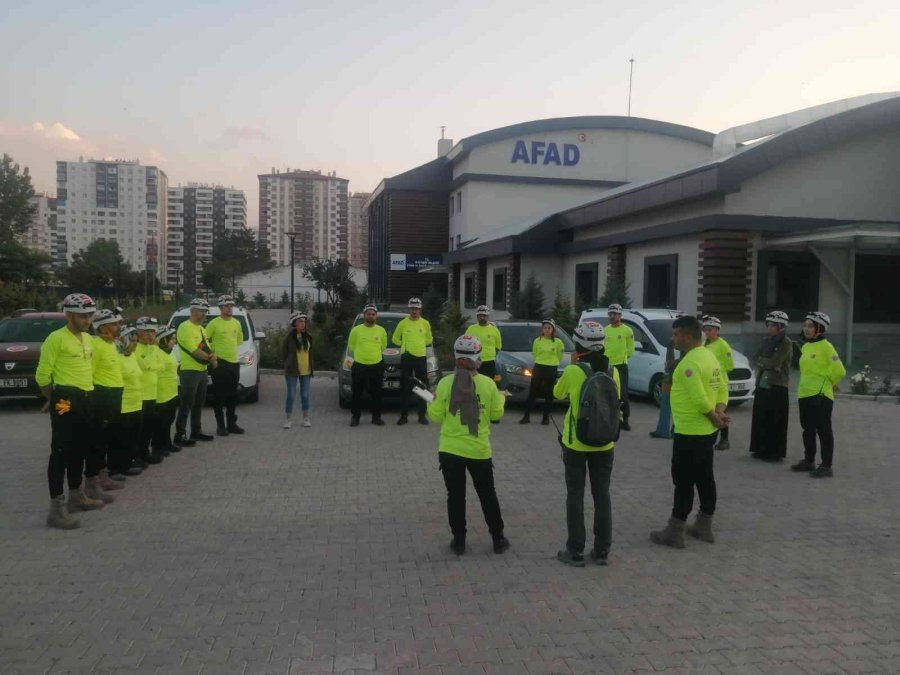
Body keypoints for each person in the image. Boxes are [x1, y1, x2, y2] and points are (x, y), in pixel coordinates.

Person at [650, 315, 728, 549]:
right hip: (706, 432)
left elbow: (699, 398)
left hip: (690, 431)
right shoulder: (709, 356)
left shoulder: (689, 364)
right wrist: (720, 412)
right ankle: (704, 525)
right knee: (705, 476)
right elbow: (722, 386)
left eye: (676, 334)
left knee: (683, 480)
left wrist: (714, 416)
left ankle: (675, 531)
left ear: (687, 336)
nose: (673, 338)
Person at [427, 334, 510, 556]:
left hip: (450, 449)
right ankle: (498, 538)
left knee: (455, 496)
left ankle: (459, 541)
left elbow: (435, 416)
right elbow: (496, 415)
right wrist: (501, 398)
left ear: (456, 357)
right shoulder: (488, 384)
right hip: (479, 450)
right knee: (487, 494)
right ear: (478, 358)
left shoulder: (445, 383)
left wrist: (431, 401)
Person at [553, 321, 620, 566]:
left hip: (577, 444)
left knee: (575, 495)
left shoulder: (574, 371)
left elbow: (557, 393)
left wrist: (572, 366)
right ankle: (602, 551)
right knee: (602, 494)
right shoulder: (613, 371)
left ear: (579, 344)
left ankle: (575, 550)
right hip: (605, 444)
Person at [37, 293, 105, 529]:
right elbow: (42, 376)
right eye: (82, 316)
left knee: (81, 448)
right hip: (65, 399)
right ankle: (56, 509)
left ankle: (77, 495)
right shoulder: (56, 339)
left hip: (87, 397)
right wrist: (54, 399)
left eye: (90, 316)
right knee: (61, 451)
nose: (87, 320)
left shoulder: (87, 339)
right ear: (68, 315)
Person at [791, 312, 846, 478]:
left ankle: (826, 466)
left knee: (823, 430)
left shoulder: (827, 347)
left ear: (820, 328)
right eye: (805, 325)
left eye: (810, 326)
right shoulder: (806, 346)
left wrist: (830, 382)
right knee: (807, 429)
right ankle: (809, 461)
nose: (806, 329)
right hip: (804, 393)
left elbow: (840, 370)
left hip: (820, 395)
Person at [86, 308, 126, 503]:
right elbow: (89, 373)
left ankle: (103, 476)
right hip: (102, 395)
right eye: (114, 324)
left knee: (107, 438)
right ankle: (92, 483)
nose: (118, 327)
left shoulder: (111, 344)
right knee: (98, 441)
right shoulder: (96, 345)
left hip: (114, 394)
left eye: (118, 324)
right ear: (101, 327)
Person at [749, 311, 792, 462]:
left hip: (777, 384)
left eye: (774, 325)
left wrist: (767, 363)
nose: (770, 328)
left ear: (781, 327)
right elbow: (755, 358)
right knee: (761, 417)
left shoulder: (786, 343)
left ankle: (774, 452)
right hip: (762, 383)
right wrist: (767, 363)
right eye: (769, 324)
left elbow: (776, 362)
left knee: (776, 420)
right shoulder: (765, 340)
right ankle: (760, 449)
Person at [175, 298, 217, 446]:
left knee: (199, 403)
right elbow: (193, 350)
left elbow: (206, 346)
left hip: (202, 370)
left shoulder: (201, 329)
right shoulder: (184, 327)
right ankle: (180, 434)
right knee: (186, 404)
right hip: (190, 371)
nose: (204, 314)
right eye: (201, 311)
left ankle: (196, 431)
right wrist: (210, 358)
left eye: (205, 311)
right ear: (192, 311)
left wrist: (213, 356)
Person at [206, 294, 245, 436]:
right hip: (220, 364)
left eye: (231, 306)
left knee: (232, 395)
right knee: (219, 396)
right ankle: (220, 426)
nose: (229, 308)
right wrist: (212, 354)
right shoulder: (214, 323)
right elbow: (204, 341)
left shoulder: (236, 323)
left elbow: (239, 340)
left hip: (234, 363)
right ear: (220, 308)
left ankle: (231, 424)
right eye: (226, 306)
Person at [393, 297, 433, 426]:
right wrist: (404, 345)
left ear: (420, 310)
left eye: (416, 309)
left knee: (422, 387)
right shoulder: (403, 323)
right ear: (409, 309)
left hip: (421, 358)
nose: (414, 311)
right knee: (405, 387)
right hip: (407, 357)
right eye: (412, 309)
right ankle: (403, 416)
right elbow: (394, 339)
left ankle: (422, 415)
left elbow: (429, 340)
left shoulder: (425, 323)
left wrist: (419, 345)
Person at [111, 327, 144, 478]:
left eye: (137, 341)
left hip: (136, 402)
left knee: (132, 436)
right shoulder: (116, 358)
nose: (136, 344)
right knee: (120, 438)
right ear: (123, 340)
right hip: (123, 403)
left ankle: (129, 463)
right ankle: (116, 468)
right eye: (132, 341)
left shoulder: (132, 356)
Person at [348, 303, 388, 427]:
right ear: (364, 315)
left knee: (377, 393)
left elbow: (383, 346)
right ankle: (355, 417)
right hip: (359, 365)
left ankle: (376, 417)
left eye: (373, 314)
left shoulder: (381, 330)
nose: (371, 316)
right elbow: (351, 346)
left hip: (376, 365)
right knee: (357, 392)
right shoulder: (356, 330)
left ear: (376, 316)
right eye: (368, 314)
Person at [520, 319, 564, 425]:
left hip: (551, 367)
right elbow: (535, 353)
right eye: (545, 328)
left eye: (549, 328)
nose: (547, 330)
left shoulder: (558, 342)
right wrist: (541, 361)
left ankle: (545, 417)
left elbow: (560, 355)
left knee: (548, 393)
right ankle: (526, 416)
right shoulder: (537, 341)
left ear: (553, 330)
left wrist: (552, 362)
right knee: (533, 392)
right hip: (539, 366)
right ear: (542, 329)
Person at [135, 316, 165, 465]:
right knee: (138, 429)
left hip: (152, 393)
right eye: (146, 331)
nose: (150, 335)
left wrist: (153, 363)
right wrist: (153, 364)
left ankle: (145, 453)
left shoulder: (153, 348)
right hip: (139, 395)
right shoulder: (136, 348)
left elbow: (162, 366)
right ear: (138, 332)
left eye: (152, 332)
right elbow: (145, 365)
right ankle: (137, 456)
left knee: (148, 427)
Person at [702, 316, 734, 450]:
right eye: (705, 329)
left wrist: (716, 370)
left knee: (721, 411)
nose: (707, 332)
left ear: (717, 330)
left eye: (710, 329)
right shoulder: (704, 344)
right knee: (709, 410)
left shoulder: (723, 344)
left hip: (719, 382)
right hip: (707, 382)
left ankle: (724, 439)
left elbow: (730, 365)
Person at [604, 304, 634, 431]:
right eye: (610, 314)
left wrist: (623, 357)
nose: (612, 316)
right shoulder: (605, 330)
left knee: (622, 393)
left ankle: (624, 419)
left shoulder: (627, 330)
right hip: (607, 365)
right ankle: (609, 418)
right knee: (607, 392)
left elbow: (631, 348)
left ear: (620, 315)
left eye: (615, 314)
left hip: (621, 365)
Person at [282, 311, 315, 429]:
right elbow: (284, 354)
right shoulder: (289, 338)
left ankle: (306, 418)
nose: (303, 324)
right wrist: (287, 365)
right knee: (291, 395)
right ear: (294, 323)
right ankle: (288, 419)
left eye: (304, 321)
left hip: (306, 370)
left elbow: (311, 353)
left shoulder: (308, 337)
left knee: (305, 395)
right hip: (292, 371)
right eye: (300, 321)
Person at [153, 326, 180, 457]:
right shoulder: (157, 353)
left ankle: (167, 443)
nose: (174, 341)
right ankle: (158, 447)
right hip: (161, 393)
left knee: (169, 419)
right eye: (172, 339)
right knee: (160, 422)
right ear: (164, 339)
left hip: (172, 392)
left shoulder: (170, 353)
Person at [466, 306, 503, 382]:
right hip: (475, 361)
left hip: (490, 362)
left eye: (484, 316)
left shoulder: (494, 330)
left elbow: (498, 346)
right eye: (480, 316)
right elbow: (465, 343)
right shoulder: (471, 329)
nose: (482, 318)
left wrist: (491, 355)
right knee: (475, 382)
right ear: (477, 316)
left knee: (493, 382)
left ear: (488, 316)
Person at [650, 337, 677, 439]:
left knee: (670, 404)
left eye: (676, 334)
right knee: (666, 403)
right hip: (670, 375)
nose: (673, 336)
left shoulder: (686, 345)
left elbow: (684, 359)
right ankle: (663, 430)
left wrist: (672, 364)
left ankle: (667, 431)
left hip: (674, 377)